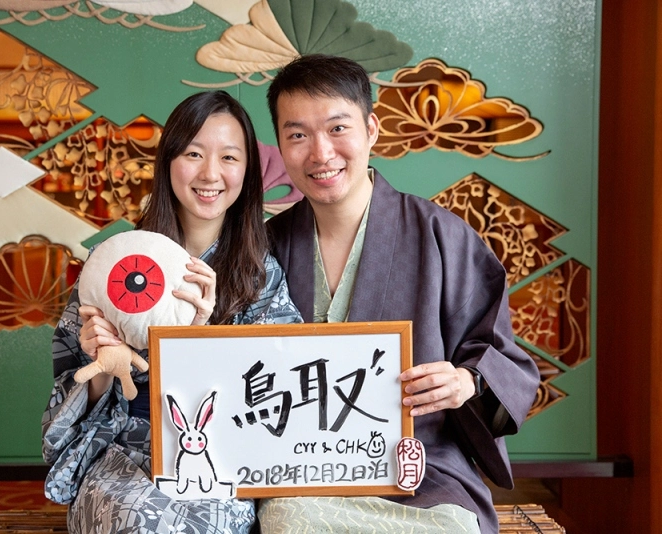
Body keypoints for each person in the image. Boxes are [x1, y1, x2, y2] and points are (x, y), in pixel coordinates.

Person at [261, 54, 540, 534]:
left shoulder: (441, 235)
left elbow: (501, 359)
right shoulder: (264, 245)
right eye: (298, 135)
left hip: (420, 467)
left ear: (371, 129)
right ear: (282, 147)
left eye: (337, 128)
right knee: (290, 520)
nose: (321, 153)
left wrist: (466, 382)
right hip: (297, 468)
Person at [42, 90, 303, 534]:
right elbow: (75, 387)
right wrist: (101, 363)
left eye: (229, 157)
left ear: (247, 172)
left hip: (223, 455)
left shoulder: (260, 273)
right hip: (126, 451)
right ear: (168, 162)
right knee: (134, 519)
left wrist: (200, 337)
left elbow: (280, 386)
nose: (210, 174)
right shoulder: (117, 263)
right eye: (194, 154)